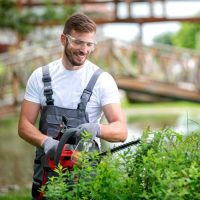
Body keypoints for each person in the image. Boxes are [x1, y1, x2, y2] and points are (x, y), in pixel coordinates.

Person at [18, 12, 128, 199]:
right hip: (46, 176)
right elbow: (23, 126)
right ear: (63, 39)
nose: (84, 49)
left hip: (85, 177)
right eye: (78, 42)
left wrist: (96, 128)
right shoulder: (40, 76)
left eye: (89, 44)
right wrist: (47, 143)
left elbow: (121, 131)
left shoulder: (102, 80)